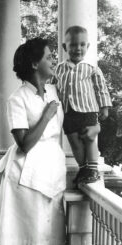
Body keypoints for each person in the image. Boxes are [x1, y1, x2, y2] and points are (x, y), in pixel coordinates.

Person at [0, 38, 66, 245]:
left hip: (49, 169)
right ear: (35, 63)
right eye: (48, 57)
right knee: (21, 228)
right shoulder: (17, 98)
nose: (52, 61)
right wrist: (46, 116)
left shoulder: (53, 92)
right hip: (24, 173)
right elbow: (23, 144)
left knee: (41, 227)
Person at [54, 26, 112, 184]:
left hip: (88, 110)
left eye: (81, 44)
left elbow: (101, 88)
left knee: (89, 138)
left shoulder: (91, 68)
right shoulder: (59, 69)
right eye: (73, 45)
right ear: (65, 47)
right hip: (68, 111)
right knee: (74, 140)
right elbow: (51, 87)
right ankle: (83, 168)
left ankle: (93, 169)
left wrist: (104, 107)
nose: (77, 48)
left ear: (87, 46)